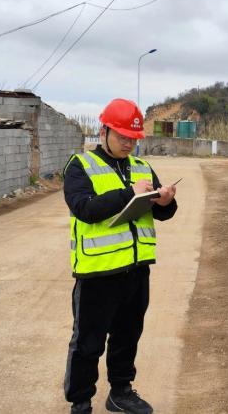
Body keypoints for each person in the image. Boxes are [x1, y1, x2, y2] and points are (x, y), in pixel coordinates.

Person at [63, 98, 177, 414]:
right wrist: (130, 194)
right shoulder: (81, 166)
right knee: (88, 341)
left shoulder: (141, 167)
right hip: (98, 272)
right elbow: (85, 209)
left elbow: (163, 215)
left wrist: (164, 200)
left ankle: (121, 392)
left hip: (136, 271)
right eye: (122, 136)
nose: (128, 143)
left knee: (128, 335)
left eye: (133, 138)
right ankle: (81, 401)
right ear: (105, 131)